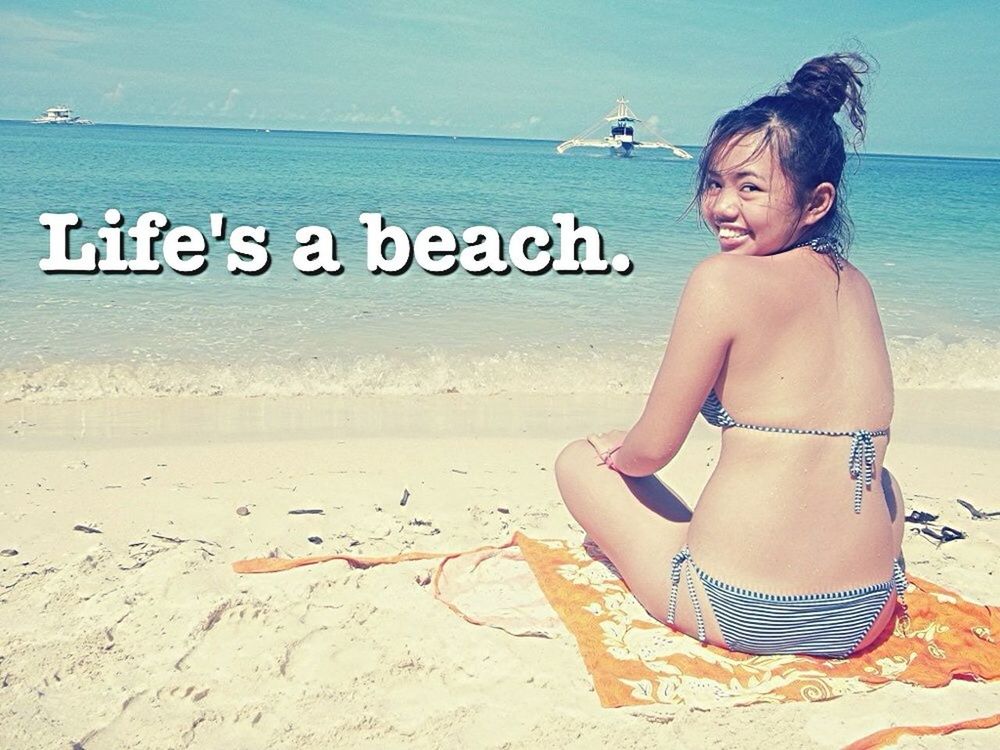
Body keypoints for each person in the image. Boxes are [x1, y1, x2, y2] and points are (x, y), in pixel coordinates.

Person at [554, 52, 907, 658]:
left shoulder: (720, 281)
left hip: (739, 610)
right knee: (882, 480)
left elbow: (653, 450)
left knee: (582, 459)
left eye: (750, 188)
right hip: (866, 612)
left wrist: (623, 454)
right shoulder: (857, 283)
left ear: (816, 203)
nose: (721, 205)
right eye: (715, 183)